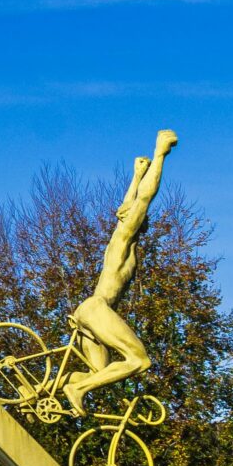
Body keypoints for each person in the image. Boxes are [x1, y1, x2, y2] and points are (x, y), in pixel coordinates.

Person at [59, 129, 178, 414]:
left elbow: (129, 204)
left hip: (88, 313)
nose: (143, 219)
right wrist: (159, 154)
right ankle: (76, 389)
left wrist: (135, 175)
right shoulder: (122, 237)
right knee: (139, 360)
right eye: (138, 217)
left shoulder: (123, 240)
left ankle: (41, 389)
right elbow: (142, 201)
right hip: (96, 310)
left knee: (98, 373)